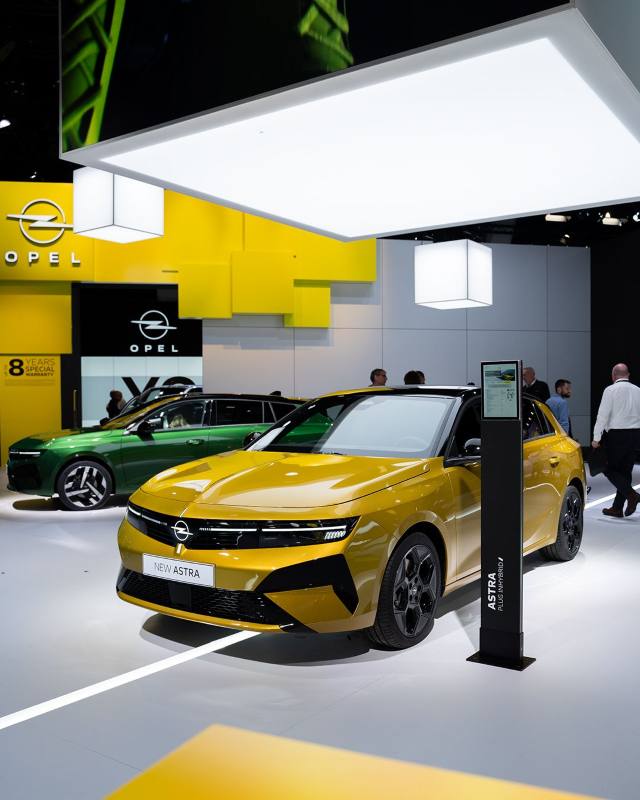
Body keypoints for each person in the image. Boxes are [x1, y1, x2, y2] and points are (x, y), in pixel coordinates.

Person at [592, 363, 640, 518]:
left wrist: (596, 438)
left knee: (608, 468)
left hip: (617, 435)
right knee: (625, 471)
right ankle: (617, 508)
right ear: (628, 375)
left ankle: (631, 495)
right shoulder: (638, 390)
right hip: (635, 435)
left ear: (613, 376)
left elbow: (602, 415)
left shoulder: (610, 390)